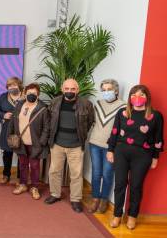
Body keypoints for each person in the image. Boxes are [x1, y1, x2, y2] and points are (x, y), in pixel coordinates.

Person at [107, 85, 163, 230]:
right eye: (134, 94)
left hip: (143, 155)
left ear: (147, 98)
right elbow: (115, 132)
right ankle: (117, 215)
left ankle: (132, 216)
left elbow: (158, 138)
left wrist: (155, 157)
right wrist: (110, 150)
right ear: (130, 97)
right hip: (121, 152)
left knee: (136, 186)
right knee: (120, 184)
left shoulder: (155, 116)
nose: (138, 97)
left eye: (141, 94)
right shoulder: (123, 113)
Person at [44, 79, 94, 213]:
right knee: (54, 171)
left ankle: (76, 199)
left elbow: (89, 122)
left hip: (76, 145)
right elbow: (49, 121)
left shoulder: (86, 104)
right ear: (62, 89)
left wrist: (79, 136)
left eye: (73, 89)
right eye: (67, 89)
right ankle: (55, 194)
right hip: (57, 144)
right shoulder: (55, 102)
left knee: (76, 174)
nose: (69, 91)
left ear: (77, 90)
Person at [87, 79, 125, 214]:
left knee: (107, 173)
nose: (106, 92)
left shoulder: (123, 107)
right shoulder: (97, 104)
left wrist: (114, 147)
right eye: (103, 90)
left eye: (109, 89)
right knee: (96, 173)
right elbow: (92, 122)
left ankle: (104, 200)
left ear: (115, 90)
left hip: (111, 147)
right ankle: (95, 198)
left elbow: (122, 128)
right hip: (94, 143)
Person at [9, 83, 50, 199]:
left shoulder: (43, 108)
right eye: (29, 93)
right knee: (22, 164)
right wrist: (10, 135)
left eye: (34, 93)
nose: (31, 95)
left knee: (35, 166)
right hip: (21, 142)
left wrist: (42, 142)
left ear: (38, 94)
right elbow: (13, 121)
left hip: (35, 143)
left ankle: (34, 187)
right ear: (25, 93)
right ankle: (23, 184)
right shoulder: (19, 105)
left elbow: (47, 127)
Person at [0, 77, 23, 183]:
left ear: (19, 85)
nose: (12, 87)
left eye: (14, 85)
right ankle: (6, 175)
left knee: (22, 154)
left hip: (22, 130)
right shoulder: (3, 97)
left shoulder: (25, 97)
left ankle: (21, 177)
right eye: (9, 85)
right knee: (7, 153)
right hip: (7, 129)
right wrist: (3, 115)